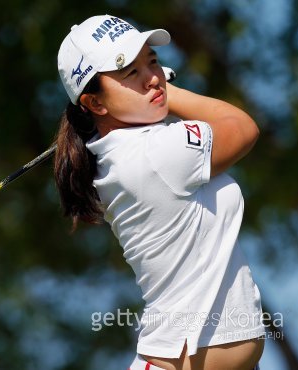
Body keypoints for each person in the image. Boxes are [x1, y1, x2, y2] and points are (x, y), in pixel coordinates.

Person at [54, 14, 265, 370]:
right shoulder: (156, 153)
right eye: (129, 72)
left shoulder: (120, 153)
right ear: (94, 104)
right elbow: (242, 127)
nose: (152, 77)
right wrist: (171, 92)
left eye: (152, 62)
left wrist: (151, 88)